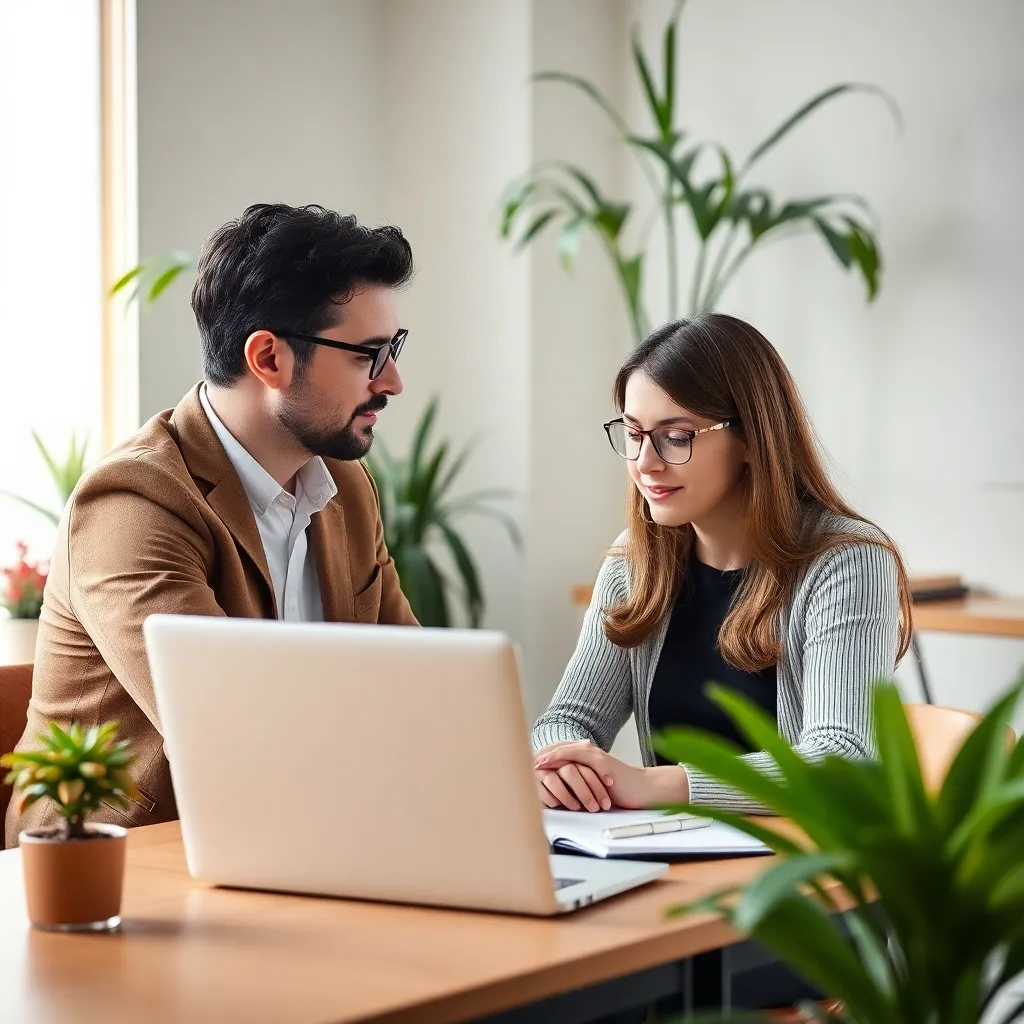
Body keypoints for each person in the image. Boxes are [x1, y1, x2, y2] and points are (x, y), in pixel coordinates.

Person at [7, 203, 418, 846]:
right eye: (368, 355)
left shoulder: (348, 491)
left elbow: (415, 685)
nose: (393, 381)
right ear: (268, 358)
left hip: (307, 839)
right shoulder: (133, 503)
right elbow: (231, 730)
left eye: (392, 349)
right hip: (126, 874)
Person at [532, 312, 911, 816]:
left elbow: (841, 759)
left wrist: (653, 785)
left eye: (676, 435)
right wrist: (564, 766)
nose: (645, 462)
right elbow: (567, 719)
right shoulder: (635, 563)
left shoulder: (845, 562)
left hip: (799, 869)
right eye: (633, 432)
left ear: (752, 439)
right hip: (672, 859)